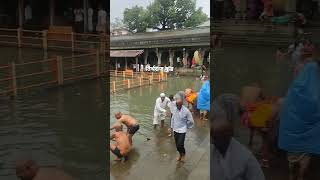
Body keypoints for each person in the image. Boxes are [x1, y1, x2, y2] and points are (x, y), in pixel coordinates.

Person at [278, 60, 320, 180]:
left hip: (291, 133)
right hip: (308, 136)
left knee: (292, 157)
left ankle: (291, 174)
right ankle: (301, 175)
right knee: (305, 156)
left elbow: (286, 109)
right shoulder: (315, 92)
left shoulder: (294, 89)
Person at [211, 107, 266, 180]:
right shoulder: (213, 150)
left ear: (227, 137)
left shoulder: (246, 158)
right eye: (212, 138)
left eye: (216, 139)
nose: (213, 142)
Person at [171, 98, 194, 162]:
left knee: (180, 144)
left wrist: (187, 126)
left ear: (181, 105)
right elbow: (173, 118)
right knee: (177, 145)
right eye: (176, 105)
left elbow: (191, 120)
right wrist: (171, 127)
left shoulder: (186, 111)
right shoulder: (174, 109)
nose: (177, 107)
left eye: (178, 105)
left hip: (182, 130)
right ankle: (180, 153)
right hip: (175, 129)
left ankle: (183, 154)